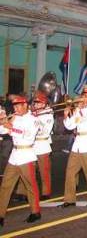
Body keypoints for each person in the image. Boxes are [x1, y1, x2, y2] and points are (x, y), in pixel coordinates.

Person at [0, 95, 41, 227]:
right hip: (15, 155)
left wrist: (10, 127)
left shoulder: (33, 120)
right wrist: (3, 121)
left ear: (25, 106)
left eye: (18, 106)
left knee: (30, 186)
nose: (16, 108)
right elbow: (3, 130)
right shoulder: (15, 117)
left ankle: (36, 212)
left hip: (27, 155)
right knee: (5, 185)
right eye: (14, 106)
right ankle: (0, 215)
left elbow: (27, 134)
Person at [59, 86, 87, 208]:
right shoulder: (80, 110)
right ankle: (69, 199)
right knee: (70, 172)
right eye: (83, 95)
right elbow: (70, 126)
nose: (83, 98)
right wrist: (67, 115)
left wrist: (78, 109)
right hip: (77, 144)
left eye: (86, 96)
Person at [31, 91, 54, 199]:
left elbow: (44, 131)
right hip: (31, 145)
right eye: (35, 103)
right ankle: (23, 192)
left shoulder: (48, 116)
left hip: (42, 144)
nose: (36, 105)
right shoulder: (33, 114)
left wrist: (35, 119)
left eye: (38, 103)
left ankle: (46, 192)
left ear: (44, 104)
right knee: (28, 170)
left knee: (44, 170)